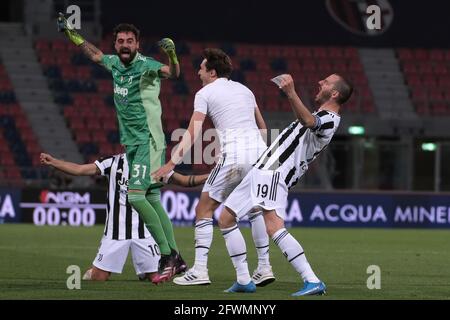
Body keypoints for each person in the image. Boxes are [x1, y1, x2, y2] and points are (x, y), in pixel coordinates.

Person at [57, 14, 183, 282]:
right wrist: (73, 35)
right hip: (133, 143)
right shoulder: (114, 63)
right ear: (115, 45)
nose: (125, 45)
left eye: (130, 41)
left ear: (138, 44)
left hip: (148, 141)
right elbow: (95, 55)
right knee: (151, 199)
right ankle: (177, 258)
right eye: (120, 41)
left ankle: (166, 255)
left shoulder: (147, 65)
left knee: (136, 197)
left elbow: (173, 74)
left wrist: (172, 55)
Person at [217, 74, 353, 295]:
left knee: (273, 226)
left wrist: (291, 93)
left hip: (275, 172)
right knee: (226, 218)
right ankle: (243, 279)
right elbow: (306, 120)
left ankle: (312, 280)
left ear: (335, 93)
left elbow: (309, 122)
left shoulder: (330, 119)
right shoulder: (319, 114)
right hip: (263, 168)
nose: (320, 82)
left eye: (326, 82)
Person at [153, 48, 275, 286]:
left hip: (235, 157)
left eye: (201, 68)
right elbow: (262, 126)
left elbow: (193, 131)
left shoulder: (204, 93)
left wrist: (171, 163)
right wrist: (264, 155)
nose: (198, 72)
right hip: (260, 155)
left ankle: (199, 270)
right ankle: (264, 267)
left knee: (204, 210)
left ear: (211, 72)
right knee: (255, 210)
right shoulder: (245, 90)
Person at [40, 152, 208, 281]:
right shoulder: (112, 162)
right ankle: (94, 270)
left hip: (144, 233)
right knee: (99, 279)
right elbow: (80, 169)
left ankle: (145, 271)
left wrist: (211, 175)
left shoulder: (154, 166)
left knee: (157, 278)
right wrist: (54, 162)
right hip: (116, 232)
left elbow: (185, 181)